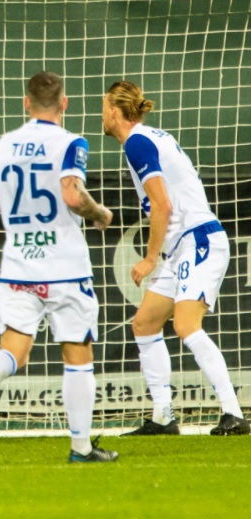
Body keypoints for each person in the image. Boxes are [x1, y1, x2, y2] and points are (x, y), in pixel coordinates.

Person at [0, 72, 117, 462]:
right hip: (65, 267)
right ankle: (81, 448)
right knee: (77, 354)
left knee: (14, 352)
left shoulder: (5, 145)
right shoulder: (72, 142)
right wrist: (100, 213)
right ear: (64, 103)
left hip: (20, 269)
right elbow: (72, 193)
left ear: (26, 103)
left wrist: (22, 205)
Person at [103, 81, 248, 436]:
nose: (102, 115)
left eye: (104, 107)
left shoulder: (137, 142)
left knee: (186, 325)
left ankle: (234, 413)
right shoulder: (150, 137)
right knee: (145, 324)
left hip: (198, 239)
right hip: (182, 244)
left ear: (115, 112)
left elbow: (163, 206)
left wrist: (150, 258)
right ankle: (163, 417)